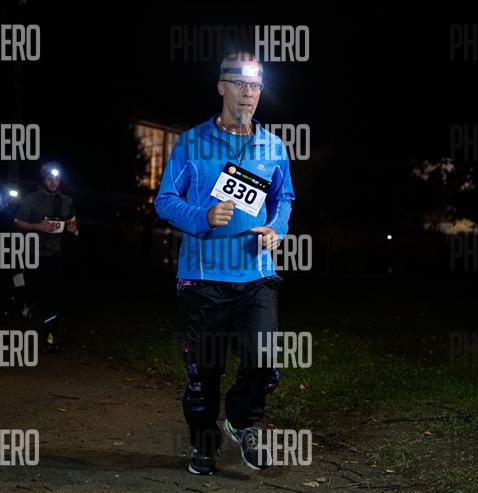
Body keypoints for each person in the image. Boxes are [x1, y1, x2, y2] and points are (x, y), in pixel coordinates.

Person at [154, 52, 295, 475]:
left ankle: (242, 421)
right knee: (204, 374)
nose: (249, 92)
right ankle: (203, 444)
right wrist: (202, 217)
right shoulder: (191, 143)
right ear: (221, 87)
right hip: (202, 280)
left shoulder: (273, 146)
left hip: (256, 275)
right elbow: (165, 200)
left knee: (264, 361)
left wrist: (277, 229)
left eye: (256, 85)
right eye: (240, 83)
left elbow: (283, 199)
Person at [14, 162, 78, 352]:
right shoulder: (31, 199)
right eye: (49, 178)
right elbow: (17, 222)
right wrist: (37, 226)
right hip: (32, 254)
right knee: (30, 292)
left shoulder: (67, 201)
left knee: (53, 297)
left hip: (55, 255)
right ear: (43, 179)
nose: (53, 182)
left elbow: (73, 223)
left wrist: (73, 228)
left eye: (57, 178)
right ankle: (26, 308)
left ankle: (49, 337)